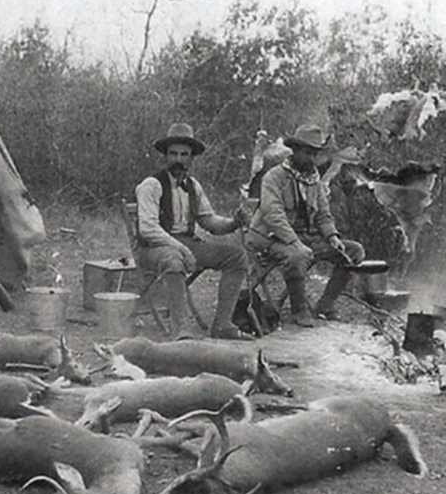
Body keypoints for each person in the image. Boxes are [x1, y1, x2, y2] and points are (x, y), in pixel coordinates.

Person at [134, 122, 250, 340]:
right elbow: (148, 229)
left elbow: (210, 221)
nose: (178, 159)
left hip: (186, 244)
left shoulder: (193, 186)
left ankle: (222, 324)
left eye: (184, 154)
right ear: (165, 156)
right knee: (174, 259)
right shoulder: (151, 185)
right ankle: (181, 329)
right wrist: (181, 248)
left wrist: (234, 222)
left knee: (236, 256)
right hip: (153, 248)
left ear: (191, 158)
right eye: (173, 154)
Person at [244, 124, 365, 327]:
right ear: (295, 150)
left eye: (315, 154)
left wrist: (332, 237)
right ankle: (299, 310)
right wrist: (295, 242)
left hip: (303, 239)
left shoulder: (314, 180)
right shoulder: (274, 177)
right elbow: (273, 216)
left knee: (354, 251)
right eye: (307, 153)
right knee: (298, 255)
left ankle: (325, 306)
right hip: (268, 238)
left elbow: (323, 215)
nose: (312, 159)